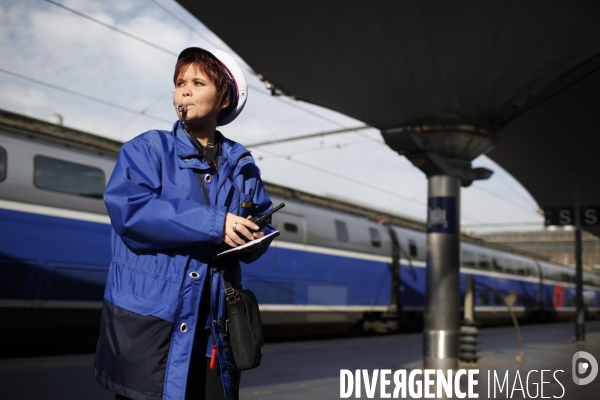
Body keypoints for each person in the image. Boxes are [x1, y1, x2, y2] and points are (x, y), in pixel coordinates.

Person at [94, 47, 275, 400]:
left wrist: (256, 235)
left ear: (223, 99)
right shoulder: (147, 149)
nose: (184, 90)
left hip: (215, 332)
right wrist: (215, 223)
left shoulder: (242, 166)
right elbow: (131, 210)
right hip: (151, 327)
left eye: (197, 82)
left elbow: (262, 223)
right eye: (179, 83)